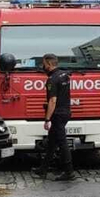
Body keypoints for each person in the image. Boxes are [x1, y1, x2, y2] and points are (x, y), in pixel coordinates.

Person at [36, 53, 74, 181]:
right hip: (66, 112)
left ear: (49, 64)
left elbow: (52, 100)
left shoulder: (52, 80)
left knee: (62, 143)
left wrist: (47, 119)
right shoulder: (64, 75)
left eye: (44, 64)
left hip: (57, 114)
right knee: (52, 142)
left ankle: (69, 172)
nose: (43, 66)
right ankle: (43, 169)